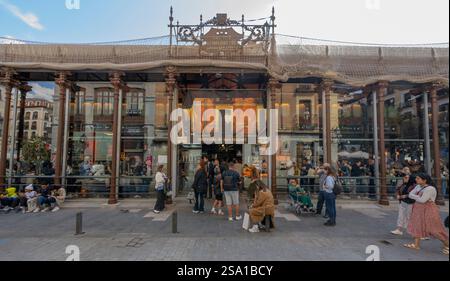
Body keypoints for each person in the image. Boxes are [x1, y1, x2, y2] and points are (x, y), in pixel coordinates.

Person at [404, 173, 449, 255]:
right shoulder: (418, 186)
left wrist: (416, 196)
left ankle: (447, 245)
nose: (416, 180)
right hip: (418, 209)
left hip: (429, 210)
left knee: (434, 229)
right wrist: (418, 197)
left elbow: (422, 200)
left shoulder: (430, 189)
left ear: (424, 180)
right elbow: (410, 195)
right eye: (416, 178)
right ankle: (416, 244)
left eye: (418, 178)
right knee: (417, 225)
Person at [391, 167, 416, 235]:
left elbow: (413, 194)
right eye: (404, 177)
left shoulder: (413, 185)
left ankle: (415, 231)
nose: (405, 178)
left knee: (409, 216)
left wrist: (404, 196)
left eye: (406, 178)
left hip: (411, 202)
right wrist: (398, 195)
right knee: (401, 216)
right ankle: (399, 229)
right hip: (403, 202)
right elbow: (398, 189)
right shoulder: (403, 184)